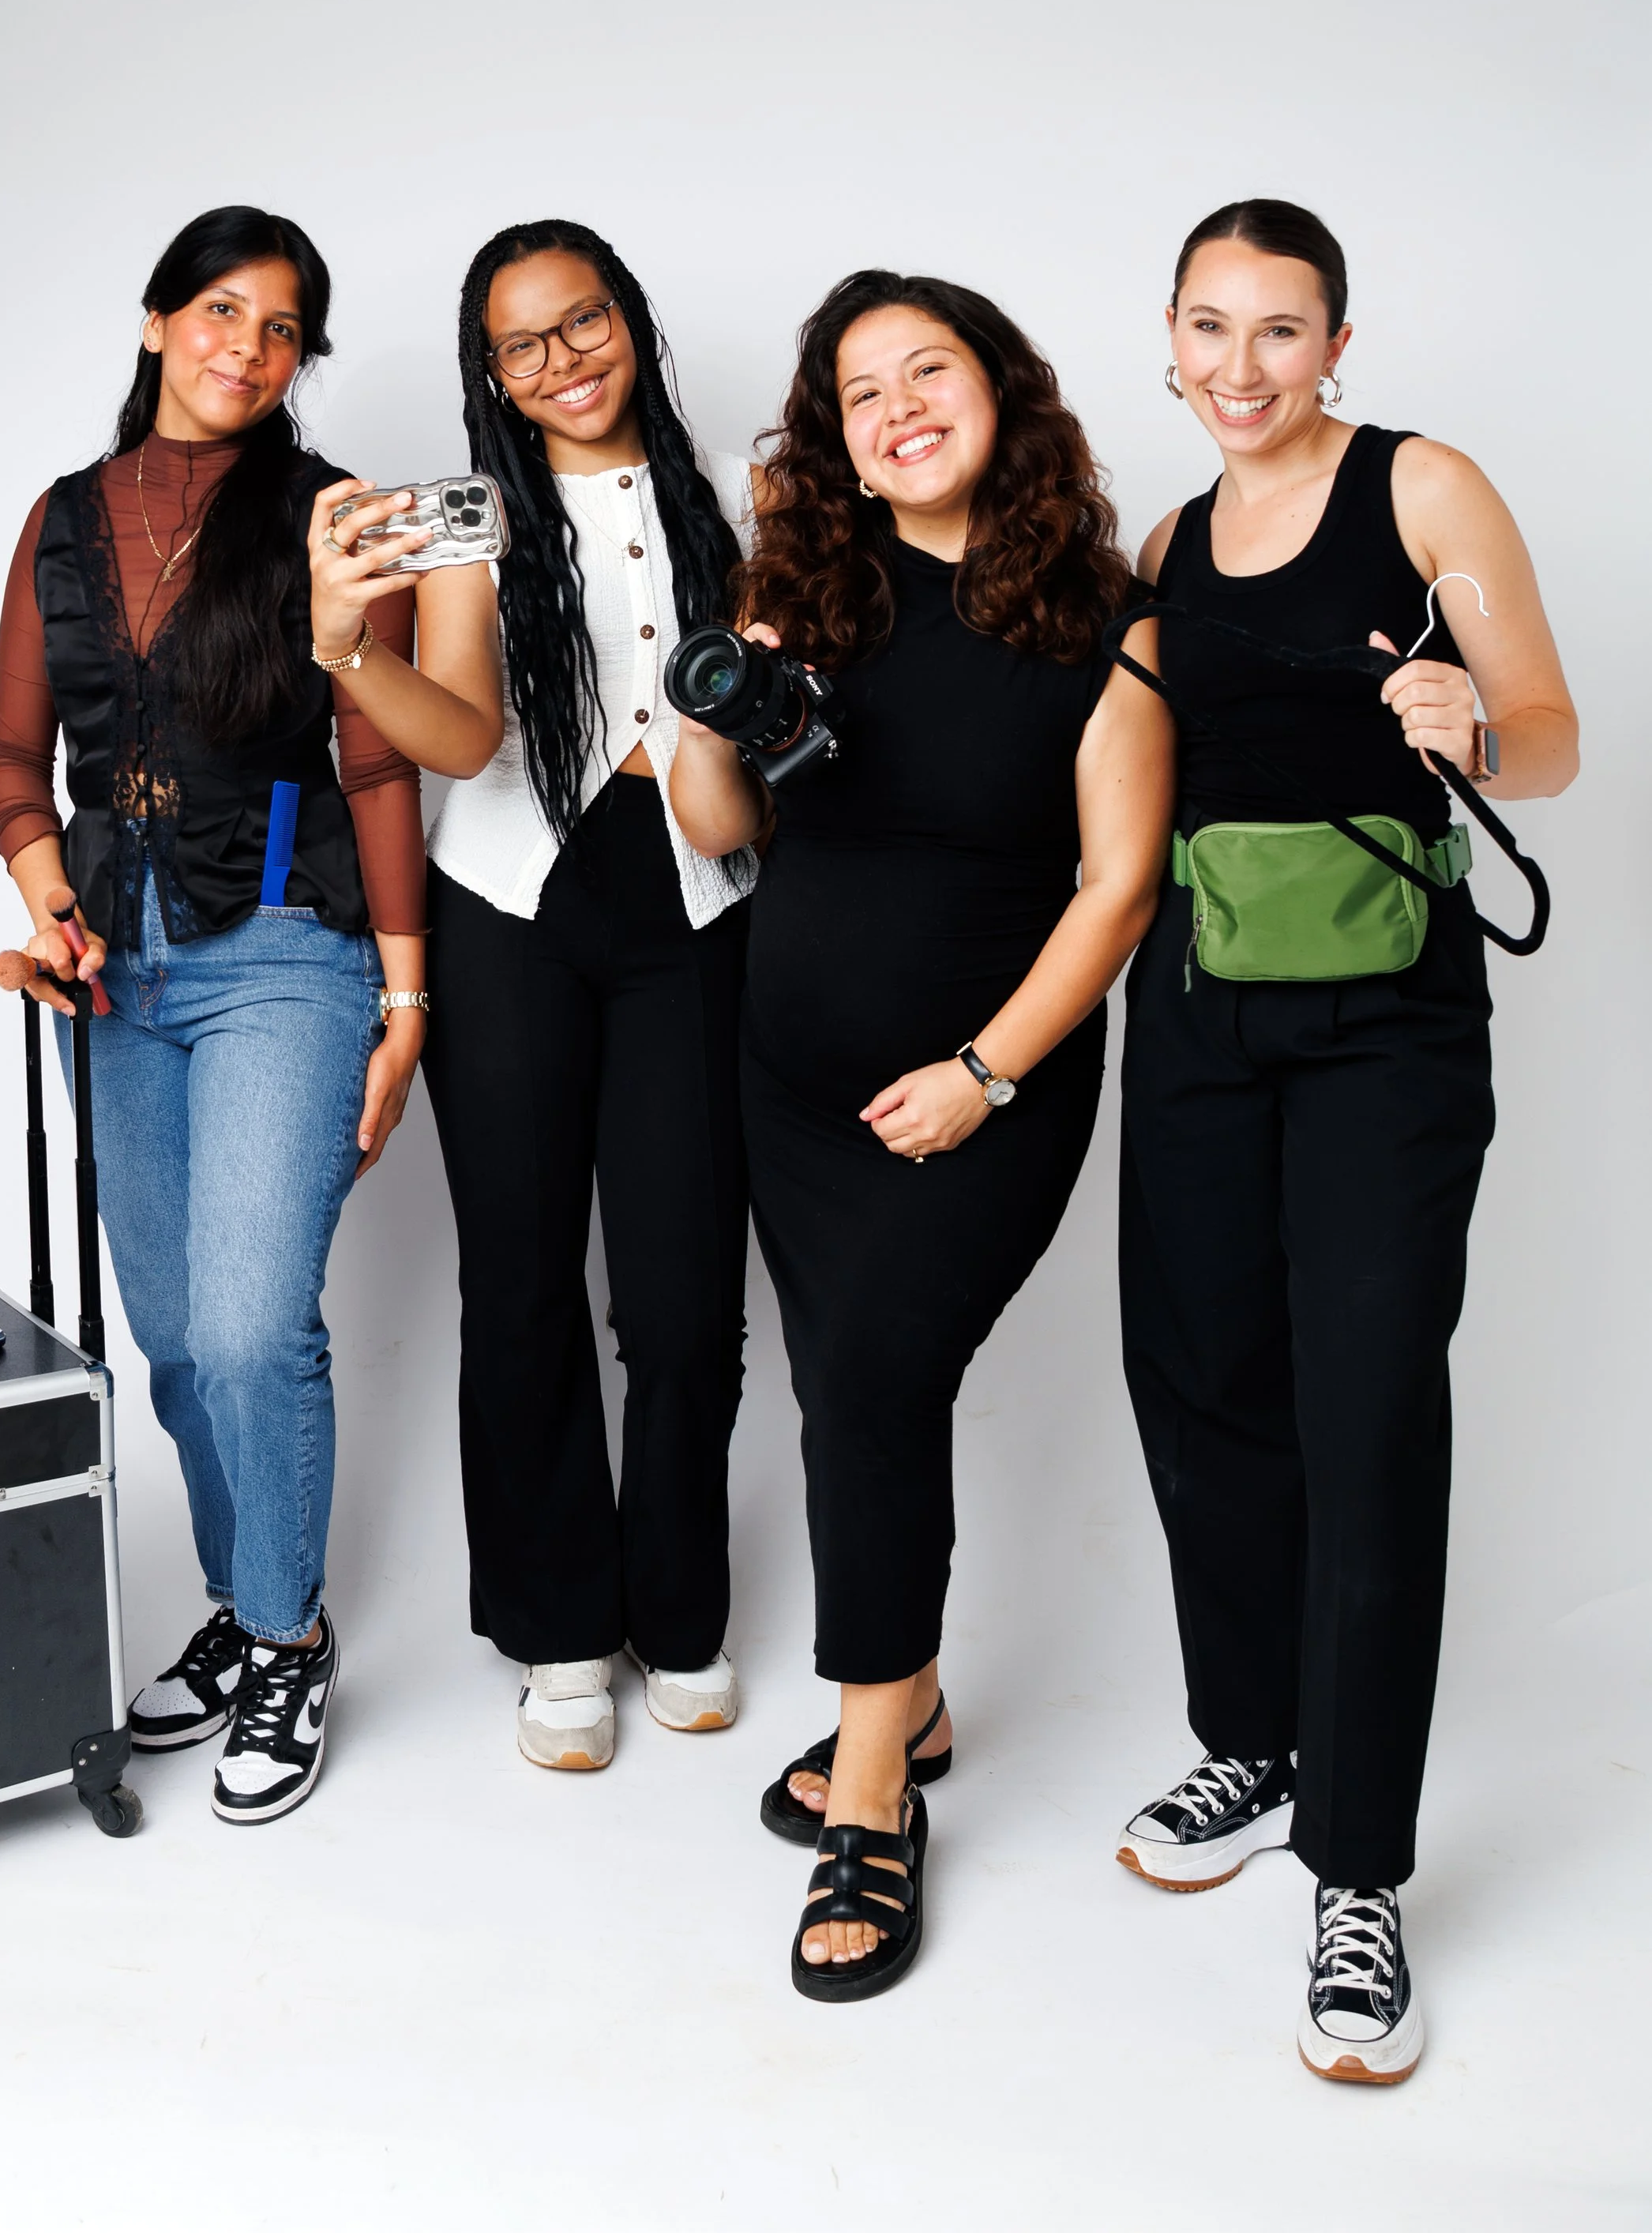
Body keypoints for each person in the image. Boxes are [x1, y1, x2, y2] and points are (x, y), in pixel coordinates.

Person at [1113, 199, 1577, 2082]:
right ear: (1167, 341)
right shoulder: (1161, 544)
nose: (1239, 369)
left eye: (1277, 332)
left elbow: (1546, 735)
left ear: (1334, 346)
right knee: (1197, 1374)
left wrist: (1471, 720)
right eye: (1207, 330)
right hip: (1200, 1005)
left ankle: (1356, 1871)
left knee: (1367, 1403)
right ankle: (1255, 1732)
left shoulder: (1424, 487)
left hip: (1388, 1016)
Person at [670, 270, 1173, 2000]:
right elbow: (723, 824)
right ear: (835, 438)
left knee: (876, 1381)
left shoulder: (1100, 615)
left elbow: (1115, 890)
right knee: (846, 1396)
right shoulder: (800, 592)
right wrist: (719, 702)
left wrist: (984, 1071)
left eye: (926, 370)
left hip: (986, 1088)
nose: (896, 407)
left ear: (997, 391)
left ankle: (870, 1791)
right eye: (858, 390)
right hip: (791, 1082)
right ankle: (919, 1696)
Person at [0, 204, 501, 1826]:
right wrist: (46, 901)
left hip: (288, 949)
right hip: (115, 973)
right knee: (169, 1343)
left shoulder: (335, 518)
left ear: (298, 362)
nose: (245, 347)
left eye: (280, 329)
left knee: (249, 1324)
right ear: (157, 323)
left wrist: (405, 998)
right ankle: (242, 1592)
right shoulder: (65, 519)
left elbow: (381, 760)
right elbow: (14, 762)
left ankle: (287, 1638)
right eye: (219, 310)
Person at [422, 220, 757, 1772]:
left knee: (685, 1294)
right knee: (521, 1279)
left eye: (582, 325)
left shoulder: (728, 507)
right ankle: (561, 1627)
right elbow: (452, 727)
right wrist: (344, 646)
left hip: (690, 907)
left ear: (631, 322)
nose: (559, 364)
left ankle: (679, 1606)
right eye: (521, 345)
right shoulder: (467, 518)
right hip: (507, 913)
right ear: (489, 371)